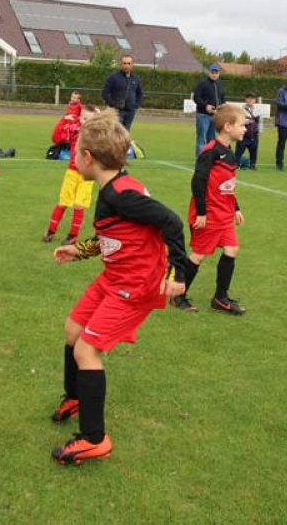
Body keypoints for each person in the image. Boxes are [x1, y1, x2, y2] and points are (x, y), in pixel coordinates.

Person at [48, 110, 187, 465]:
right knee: (72, 329)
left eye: (76, 150)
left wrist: (177, 272)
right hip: (113, 277)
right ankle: (76, 396)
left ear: (88, 157)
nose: (73, 155)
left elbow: (171, 221)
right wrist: (81, 250)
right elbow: (118, 235)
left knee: (86, 351)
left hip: (134, 286)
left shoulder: (123, 195)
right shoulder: (114, 189)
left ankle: (95, 439)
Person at [172, 104, 246, 315]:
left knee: (232, 249)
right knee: (199, 255)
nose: (244, 129)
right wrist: (202, 213)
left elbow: (228, 185)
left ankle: (220, 298)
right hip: (210, 214)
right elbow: (198, 182)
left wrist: (236, 208)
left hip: (224, 213)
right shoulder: (210, 151)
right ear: (227, 126)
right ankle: (178, 295)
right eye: (242, 125)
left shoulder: (229, 152)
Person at [43, 105, 101, 246]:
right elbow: (56, 138)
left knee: (78, 205)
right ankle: (51, 230)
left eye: (89, 119)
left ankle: (73, 235)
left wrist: (101, 119)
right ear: (79, 118)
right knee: (63, 202)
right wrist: (64, 120)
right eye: (84, 118)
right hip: (72, 172)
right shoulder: (75, 129)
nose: (85, 122)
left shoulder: (97, 134)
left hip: (87, 175)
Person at [101, 55, 143, 130]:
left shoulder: (136, 78)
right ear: (121, 64)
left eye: (129, 63)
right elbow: (105, 93)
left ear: (132, 64)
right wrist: (113, 105)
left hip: (130, 112)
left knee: (126, 133)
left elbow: (140, 94)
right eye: (124, 63)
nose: (126, 65)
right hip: (117, 112)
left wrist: (135, 106)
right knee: (115, 132)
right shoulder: (113, 77)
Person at [192, 63, 225, 156]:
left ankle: (209, 159)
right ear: (209, 72)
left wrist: (221, 106)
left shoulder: (220, 85)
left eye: (216, 72)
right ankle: (200, 159)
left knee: (212, 140)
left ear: (219, 73)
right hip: (203, 115)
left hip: (215, 116)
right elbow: (196, 97)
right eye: (212, 72)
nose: (214, 74)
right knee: (201, 139)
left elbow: (222, 98)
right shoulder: (202, 83)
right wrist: (205, 106)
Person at [234, 93, 260, 170]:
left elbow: (260, 121)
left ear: (255, 100)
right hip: (243, 134)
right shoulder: (241, 110)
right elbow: (238, 120)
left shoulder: (258, 110)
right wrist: (247, 121)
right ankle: (236, 165)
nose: (250, 100)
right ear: (246, 99)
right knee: (239, 151)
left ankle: (252, 165)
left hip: (254, 135)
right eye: (249, 98)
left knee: (254, 151)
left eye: (252, 98)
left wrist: (260, 130)